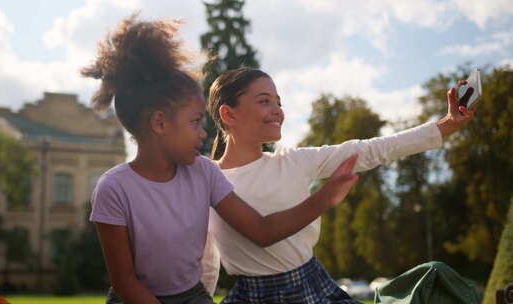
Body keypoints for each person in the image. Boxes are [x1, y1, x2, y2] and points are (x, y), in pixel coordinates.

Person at [84, 15, 360, 304]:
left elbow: (262, 232)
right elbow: (124, 281)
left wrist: (324, 198)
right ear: (160, 123)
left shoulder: (204, 172)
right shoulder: (113, 188)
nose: (204, 134)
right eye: (194, 122)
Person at [202, 67, 476, 303]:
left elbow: (372, 150)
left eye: (279, 102)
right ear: (229, 114)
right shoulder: (206, 178)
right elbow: (205, 257)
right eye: (264, 101)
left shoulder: (295, 161)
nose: (278, 111)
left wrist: (448, 124)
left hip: (312, 289)